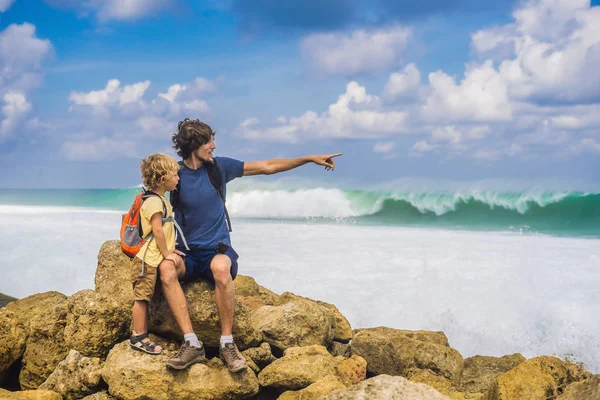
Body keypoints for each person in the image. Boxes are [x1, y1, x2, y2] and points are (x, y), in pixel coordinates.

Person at [160, 118, 341, 372]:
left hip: (216, 250)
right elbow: (152, 197)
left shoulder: (219, 167)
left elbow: (267, 166)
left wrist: (309, 158)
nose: (213, 145)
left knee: (221, 270)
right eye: (208, 141)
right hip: (187, 253)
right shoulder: (176, 174)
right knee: (166, 270)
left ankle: (226, 343)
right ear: (194, 145)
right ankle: (191, 343)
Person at [129, 153, 187, 355]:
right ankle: (138, 336)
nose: (178, 178)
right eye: (175, 175)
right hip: (147, 260)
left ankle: (142, 334)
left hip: (153, 258)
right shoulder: (154, 202)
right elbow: (158, 230)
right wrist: (167, 254)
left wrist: (170, 250)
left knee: (146, 297)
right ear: (163, 179)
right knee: (142, 298)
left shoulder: (160, 199)